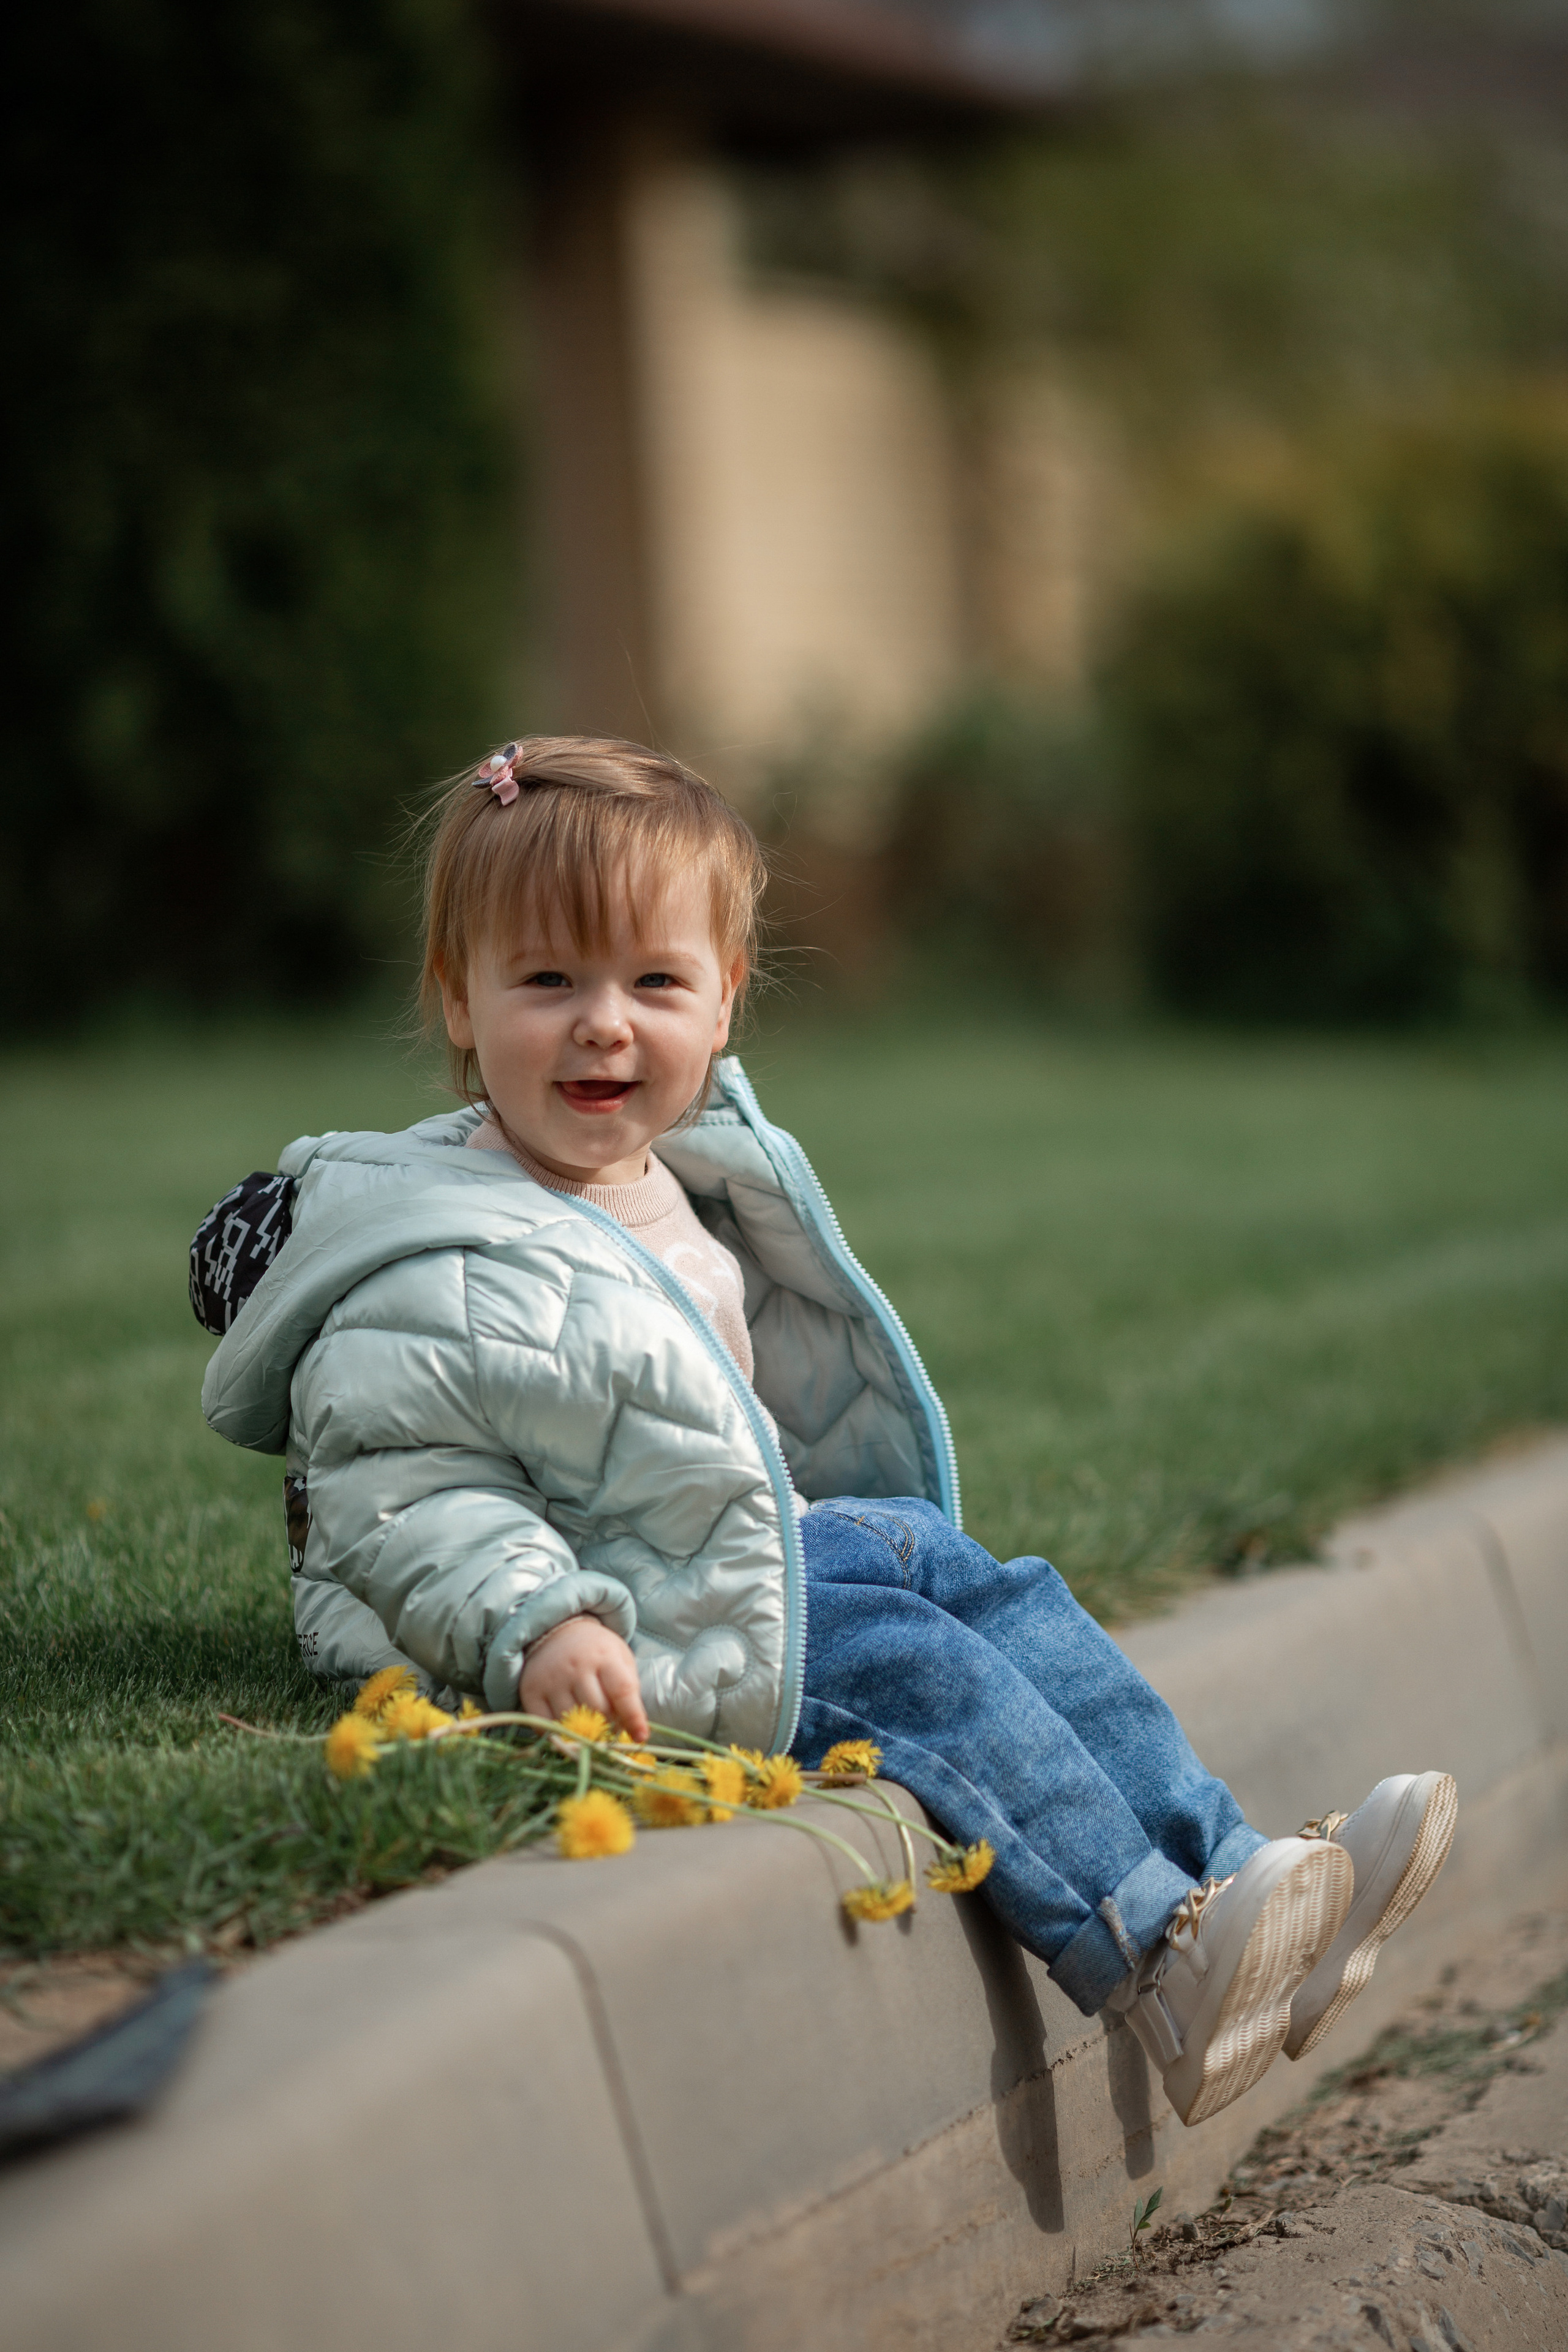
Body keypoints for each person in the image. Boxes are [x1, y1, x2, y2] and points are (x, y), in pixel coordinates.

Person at [194, 735, 1456, 2128]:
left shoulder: (659, 1173)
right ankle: (1161, 1957)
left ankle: (1241, 1877)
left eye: (653, 982)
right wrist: (540, 1623)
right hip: (591, 1638)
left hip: (701, 1573)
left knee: (974, 1582)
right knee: (914, 1664)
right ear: (456, 998)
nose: (602, 1023)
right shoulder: (437, 1256)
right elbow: (407, 1497)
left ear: (724, 1002)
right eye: (547, 980)